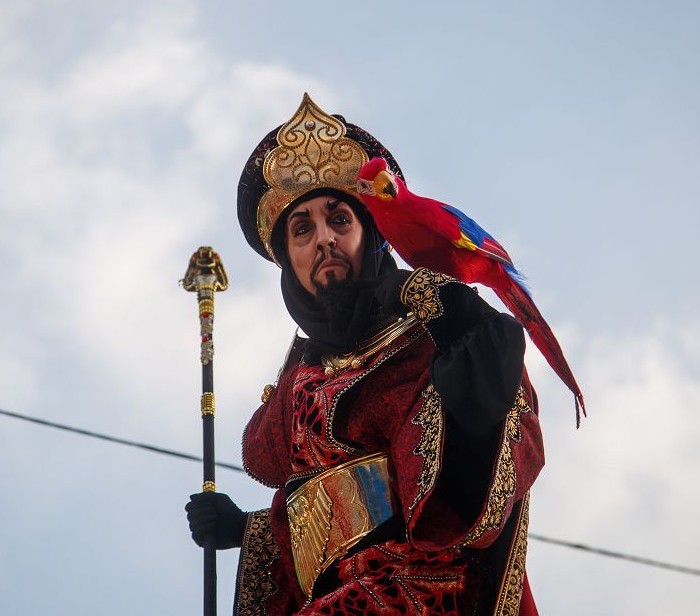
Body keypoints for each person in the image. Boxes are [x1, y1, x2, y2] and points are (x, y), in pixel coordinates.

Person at [186, 94, 544, 615]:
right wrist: (250, 530)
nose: (324, 239)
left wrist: (470, 382)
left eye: (339, 220)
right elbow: (334, 513)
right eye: (302, 229)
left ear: (371, 235)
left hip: (423, 591)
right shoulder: (302, 379)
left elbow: (453, 497)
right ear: (289, 260)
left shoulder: (428, 336)